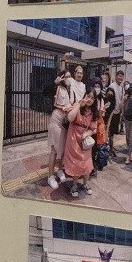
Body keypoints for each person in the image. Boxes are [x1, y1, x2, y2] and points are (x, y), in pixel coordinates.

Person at [46, 60, 78, 190]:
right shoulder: (57, 87)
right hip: (57, 119)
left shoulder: (72, 91)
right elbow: (45, 92)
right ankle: (50, 176)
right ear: (62, 78)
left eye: (70, 76)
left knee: (63, 148)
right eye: (67, 77)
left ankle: (60, 170)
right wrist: (55, 82)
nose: (69, 79)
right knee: (55, 149)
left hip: (66, 122)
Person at [62, 99, 96, 199]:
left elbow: (93, 129)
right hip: (73, 138)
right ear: (85, 96)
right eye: (88, 96)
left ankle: (85, 183)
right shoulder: (77, 105)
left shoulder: (94, 112)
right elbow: (70, 118)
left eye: (92, 98)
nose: (90, 99)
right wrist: (78, 105)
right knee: (75, 162)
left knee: (86, 162)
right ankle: (74, 185)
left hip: (85, 139)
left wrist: (87, 133)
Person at [108, 70, 127, 160]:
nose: (120, 78)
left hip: (118, 112)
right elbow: (109, 93)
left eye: (122, 76)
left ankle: (111, 147)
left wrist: (122, 111)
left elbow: (122, 100)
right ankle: (110, 149)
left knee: (114, 132)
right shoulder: (112, 86)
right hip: (112, 112)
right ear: (116, 76)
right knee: (110, 131)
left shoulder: (122, 87)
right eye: (119, 76)